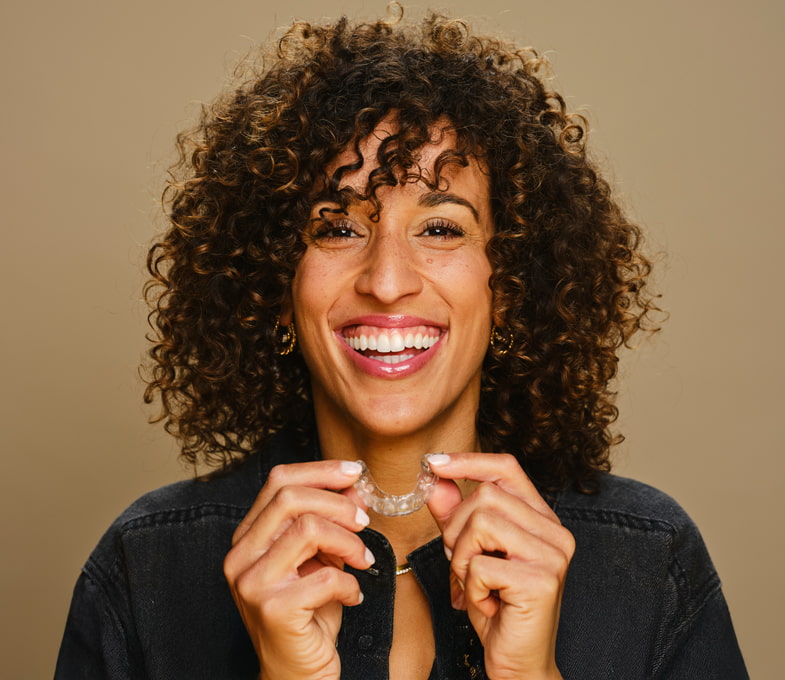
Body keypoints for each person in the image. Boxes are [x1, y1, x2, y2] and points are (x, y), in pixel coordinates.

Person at [55, 7, 748, 679]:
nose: (387, 282)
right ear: (279, 285)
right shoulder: (148, 565)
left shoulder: (648, 559)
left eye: (441, 229)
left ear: (507, 284)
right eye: (338, 227)